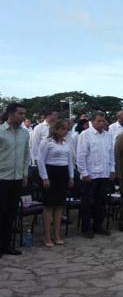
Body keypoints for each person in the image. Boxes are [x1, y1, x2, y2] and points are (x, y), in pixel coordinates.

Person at [77, 112, 115, 238]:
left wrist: (112, 169)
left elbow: (111, 154)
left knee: (101, 202)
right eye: (99, 121)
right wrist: (84, 172)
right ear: (92, 121)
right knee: (88, 202)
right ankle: (86, 228)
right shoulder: (85, 135)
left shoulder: (107, 135)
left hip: (104, 174)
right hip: (90, 175)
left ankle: (98, 226)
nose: (101, 123)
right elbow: (81, 155)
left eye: (103, 121)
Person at [0, 103, 31, 256]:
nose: (23, 116)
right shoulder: (0, 131)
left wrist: (24, 174)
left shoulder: (25, 133)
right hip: (1, 178)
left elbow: (26, 155)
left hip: (17, 178)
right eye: (20, 113)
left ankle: (6, 245)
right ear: (11, 113)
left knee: (11, 213)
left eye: (24, 113)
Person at [37, 120, 74, 246]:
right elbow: (40, 160)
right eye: (63, 129)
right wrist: (44, 177)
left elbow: (70, 160)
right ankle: (46, 235)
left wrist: (71, 176)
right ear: (56, 129)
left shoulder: (66, 143)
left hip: (63, 174)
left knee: (59, 205)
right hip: (51, 173)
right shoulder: (47, 142)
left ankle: (56, 234)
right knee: (49, 206)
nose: (66, 131)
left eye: (66, 129)